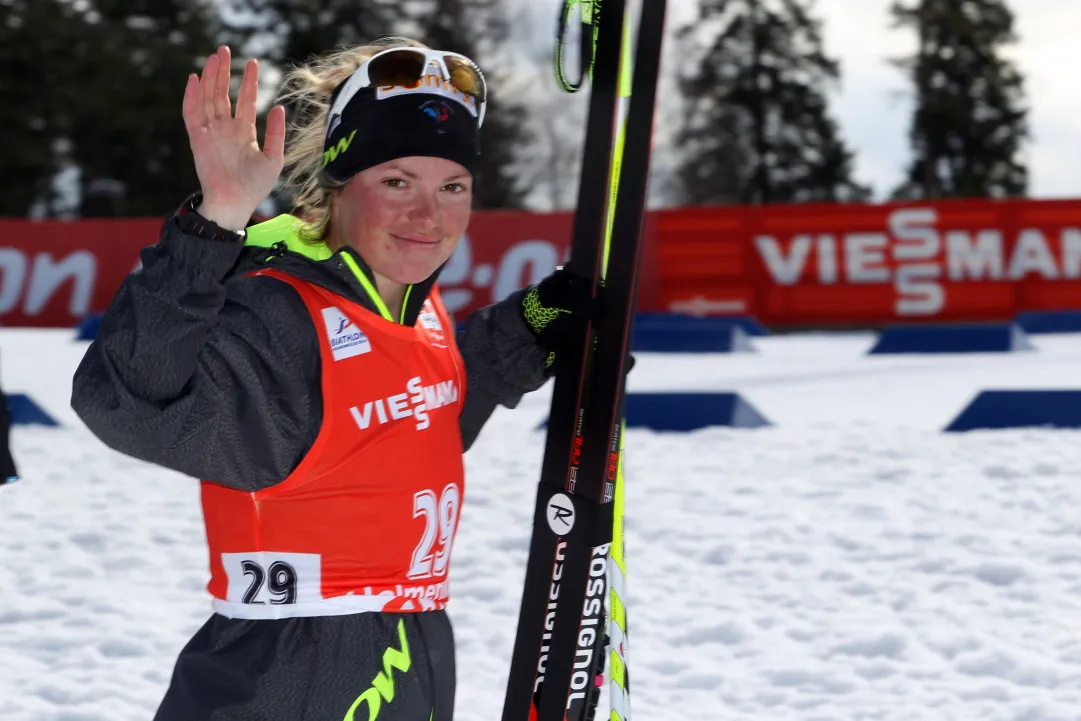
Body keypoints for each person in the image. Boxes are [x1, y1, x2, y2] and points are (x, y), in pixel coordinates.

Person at [70, 38, 597, 721]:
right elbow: (126, 400)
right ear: (340, 185)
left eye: (452, 187)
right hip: (290, 668)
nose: (428, 215)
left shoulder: (410, 307)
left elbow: (410, 420)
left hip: (407, 645)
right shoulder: (278, 311)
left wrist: (526, 330)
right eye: (397, 182)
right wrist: (215, 221)